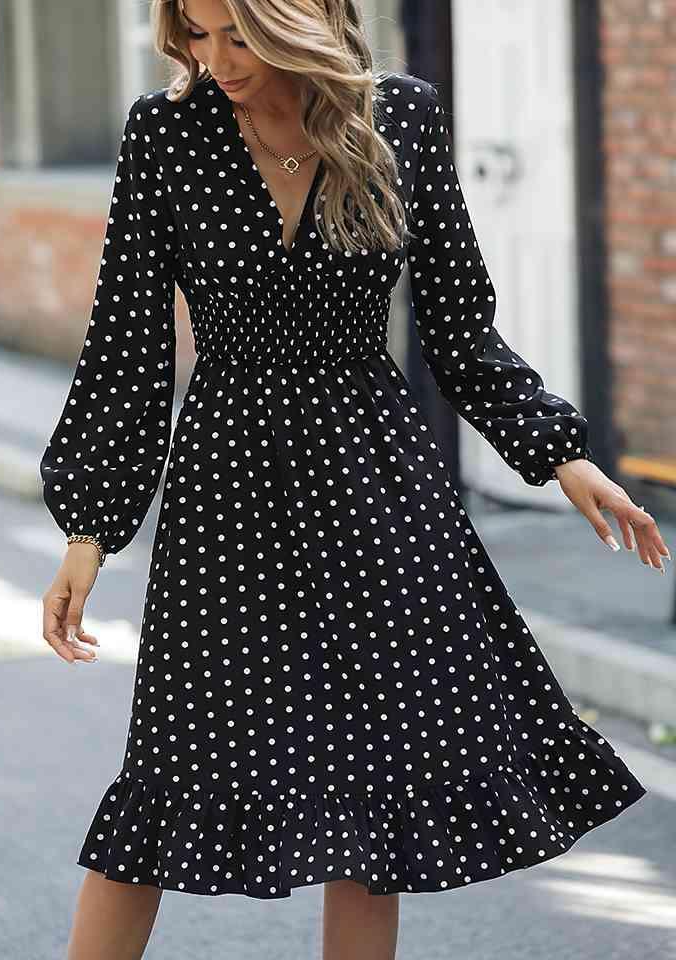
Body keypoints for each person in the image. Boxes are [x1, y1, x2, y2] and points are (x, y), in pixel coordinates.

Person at [39, 1, 664, 957]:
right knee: (172, 769)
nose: (218, 59)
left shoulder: (399, 118)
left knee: (377, 793)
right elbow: (125, 348)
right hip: (227, 495)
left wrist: (560, 455)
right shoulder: (166, 131)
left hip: (374, 485)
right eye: (197, 34)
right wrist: (89, 527)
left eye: (238, 33)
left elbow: (459, 327)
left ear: (304, 18)